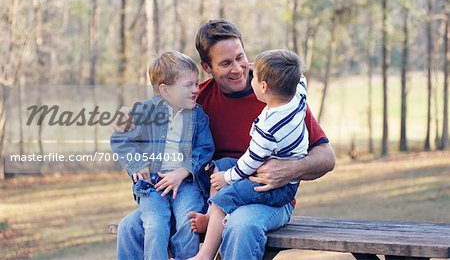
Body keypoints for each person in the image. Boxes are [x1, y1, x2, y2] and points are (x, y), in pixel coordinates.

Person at [113, 19, 335, 259]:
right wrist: (128, 117)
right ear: (207, 67)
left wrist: (292, 169)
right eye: (226, 63)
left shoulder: (278, 96)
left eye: (240, 57)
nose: (238, 69)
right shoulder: (197, 100)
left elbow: (326, 157)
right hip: (208, 195)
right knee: (130, 228)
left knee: (240, 225)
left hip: (266, 197)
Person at [189, 49, 309, 260]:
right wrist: (268, 70)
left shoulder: (269, 128)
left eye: (254, 76)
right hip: (270, 178)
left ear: (264, 87)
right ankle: (211, 218)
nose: (245, 73)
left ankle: (204, 256)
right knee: (221, 164)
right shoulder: (297, 97)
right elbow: (300, 79)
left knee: (222, 198)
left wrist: (227, 178)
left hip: (275, 188)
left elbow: (250, 162)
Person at [110, 50, 214, 260]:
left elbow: (205, 149)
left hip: (186, 184)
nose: (196, 90)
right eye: (189, 85)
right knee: (155, 224)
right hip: (152, 185)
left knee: (188, 220)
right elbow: (120, 140)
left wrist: (183, 170)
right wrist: (137, 164)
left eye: (196, 83)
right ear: (165, 90)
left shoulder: (198, 115)